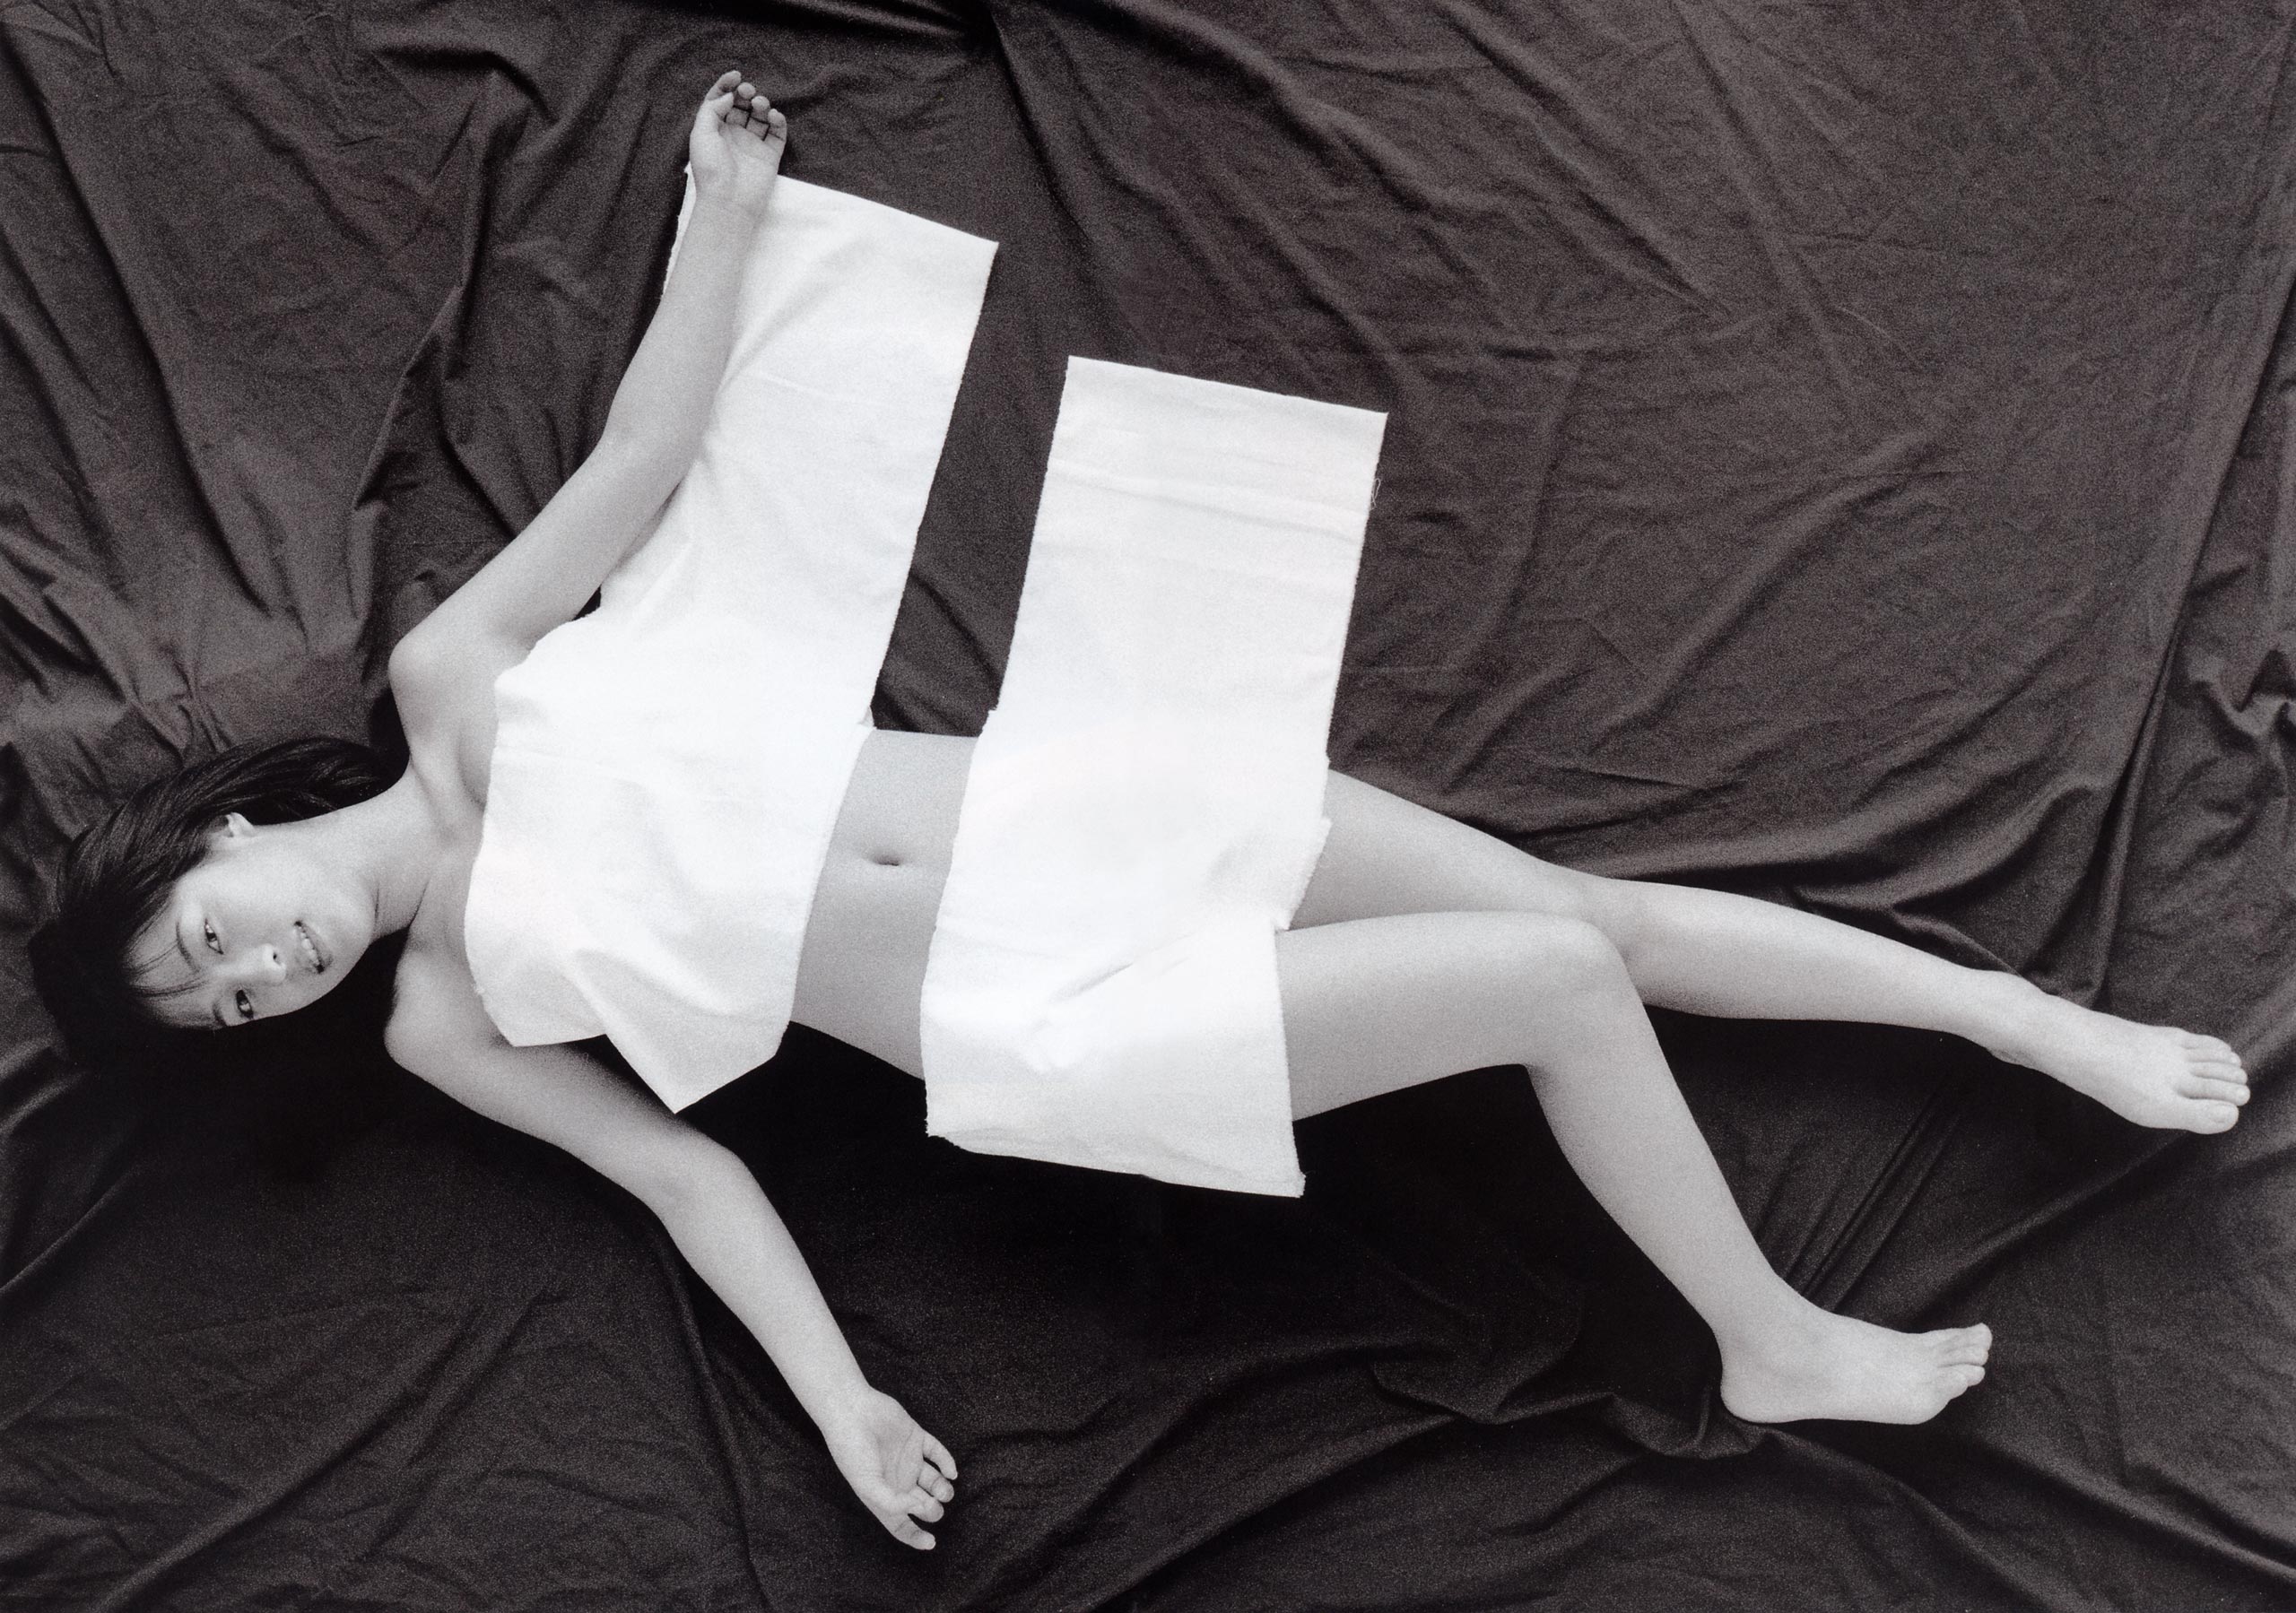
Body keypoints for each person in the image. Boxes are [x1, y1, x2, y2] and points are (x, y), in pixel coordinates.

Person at [36, 73, 2252, 1552]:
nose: (258, 976)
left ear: (221, 847)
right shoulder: (441, 1020)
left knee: (1600, 921)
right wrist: (834, 1402)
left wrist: (721, 220)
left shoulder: (455, 673)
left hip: (1087, 803)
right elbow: (684, 1175)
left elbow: (638, 469)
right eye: (227, 1015)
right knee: (1559, 979)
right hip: (1046, 1018)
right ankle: (1759, 1336)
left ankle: (2015, 1022)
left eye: (207, 943)